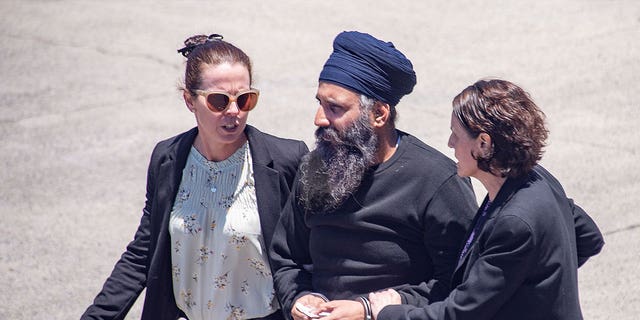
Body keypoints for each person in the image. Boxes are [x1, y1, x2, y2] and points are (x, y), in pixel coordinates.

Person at [82, 34, 309, 320]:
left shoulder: (286, 160)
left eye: (245, 99)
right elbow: (144, 251)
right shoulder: (168, 158)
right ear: (190, 100)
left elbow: (309, 253)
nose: (234, 111)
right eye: (219, 101)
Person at [268, 31, 478, 320]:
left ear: (379, 114)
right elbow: (287, 258)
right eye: (320, 103)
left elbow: (459, 282)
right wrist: (301, 298)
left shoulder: (437, 180)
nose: (319, 119)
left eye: (335, 108)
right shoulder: (314, 166)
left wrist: (369, 310)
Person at [369, 79, 605, 320]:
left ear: (483, 143)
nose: (450, 144)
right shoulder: (539, 179)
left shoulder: (515, 223)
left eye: (456, 135)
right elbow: (588, 238)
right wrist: (532, 283)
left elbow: (460, 314)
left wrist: (389, 313)